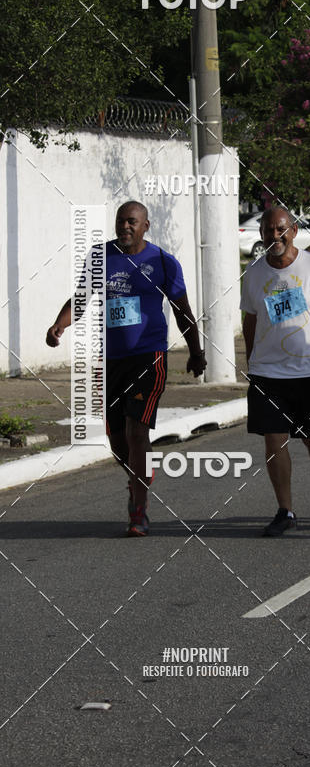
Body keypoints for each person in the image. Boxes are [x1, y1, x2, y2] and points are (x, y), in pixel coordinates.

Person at [46, 201, 206, 536]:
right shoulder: (99, 256)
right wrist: (60, 325)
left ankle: (138, 510)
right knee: (117, 440)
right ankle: (138, 480)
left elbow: (182, 310)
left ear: (146, 225)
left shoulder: (163, 262)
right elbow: (81, 298)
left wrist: (196, 352)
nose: (125, 227)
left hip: (149, 357)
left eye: (132, 222)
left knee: (137, 431)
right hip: (112, 361)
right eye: (121, 222)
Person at [240, 207, 310, 536]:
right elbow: (250, 320)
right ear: (262, 235)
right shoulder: (253, 273)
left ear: (293, 231)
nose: (274, 236)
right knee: (274, 442)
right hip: (268, 373)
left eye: (280, 229)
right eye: (268, 230)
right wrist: (252, 363)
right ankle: (286, 510)